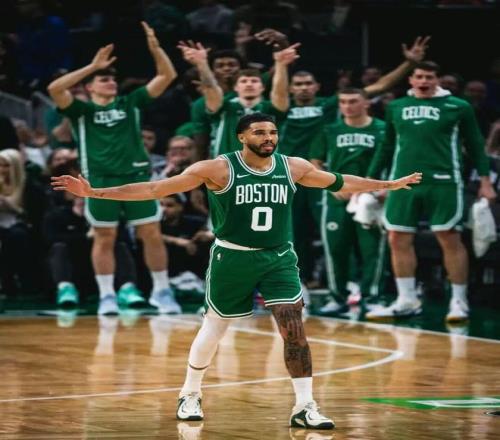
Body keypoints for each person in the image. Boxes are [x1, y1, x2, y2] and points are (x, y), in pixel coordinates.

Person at [52, 112, 422, 429]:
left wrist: (387, 185)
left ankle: (304, 405)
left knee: (293, 327)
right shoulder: (217, 168)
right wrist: (96, 193)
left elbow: (339, 181)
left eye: (272, 132)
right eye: (260, 133)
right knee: (215, 328)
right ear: (242, 137)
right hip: (232, 257)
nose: (268, 138)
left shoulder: (293, 167)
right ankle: (190, 393)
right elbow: (154, 188)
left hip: (279, 257)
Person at [46, 22, 180, 315]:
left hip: (136, 177)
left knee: (151, 232)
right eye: (103, 79)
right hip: (99, 179)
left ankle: (161, 291)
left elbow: (167, 75)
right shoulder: (81, 110)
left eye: (112, 79)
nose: (111, 82)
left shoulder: (131, 102)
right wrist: (92, 66)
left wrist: (156, 48)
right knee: (104, 236)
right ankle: (107, 295)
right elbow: (55, 88)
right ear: (89, 87)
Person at [279, 36, 430, 289]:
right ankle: (299, 282)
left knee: (341, 235)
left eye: (308, 83)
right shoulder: (279, 106)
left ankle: (352, 285)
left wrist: (409, 63)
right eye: (298, 84)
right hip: (290, 177)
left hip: (322, 177)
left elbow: (378, 87)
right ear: (290, 88)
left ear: (317, 87)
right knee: (293, 232)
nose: (303, 88)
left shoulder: (330, 105)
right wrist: (281, 63)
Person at [365, 61, 497, 322]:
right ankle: (407, 300)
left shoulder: (458, 106)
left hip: (444, 181)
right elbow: (387, 145)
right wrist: (371, 179)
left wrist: (485, 181)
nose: (424, 81)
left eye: (429, 77)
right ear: (411, 80)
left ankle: (458, 301)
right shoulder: (396, 107)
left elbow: (475, 143)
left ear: (437, 80)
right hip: (403, 182)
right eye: (419, 76)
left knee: (449, 237)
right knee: (396, 238)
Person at [310, 88, 388, 315]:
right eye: (343, 102)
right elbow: (315, 161)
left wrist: (385, 189)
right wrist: (330, 184)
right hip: (336, 199)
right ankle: (337, 297)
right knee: (336, 250)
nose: (347, 106)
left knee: (372, 251)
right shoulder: (330, 130)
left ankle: (372, 297)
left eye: (353, 101)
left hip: (371, 199)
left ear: (366, 103)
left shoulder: (383, 129)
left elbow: (393, 160)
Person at [178, 40, 298, 158]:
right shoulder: (224, 107)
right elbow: (210, 88)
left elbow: (280, 92)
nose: (249, 84)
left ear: (262, 87)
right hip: (227, 167)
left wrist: (281, 64)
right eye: (244, 81)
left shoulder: (270, 108)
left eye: (254, 81)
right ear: (236, 87)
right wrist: (201, 64)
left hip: (266, 167)